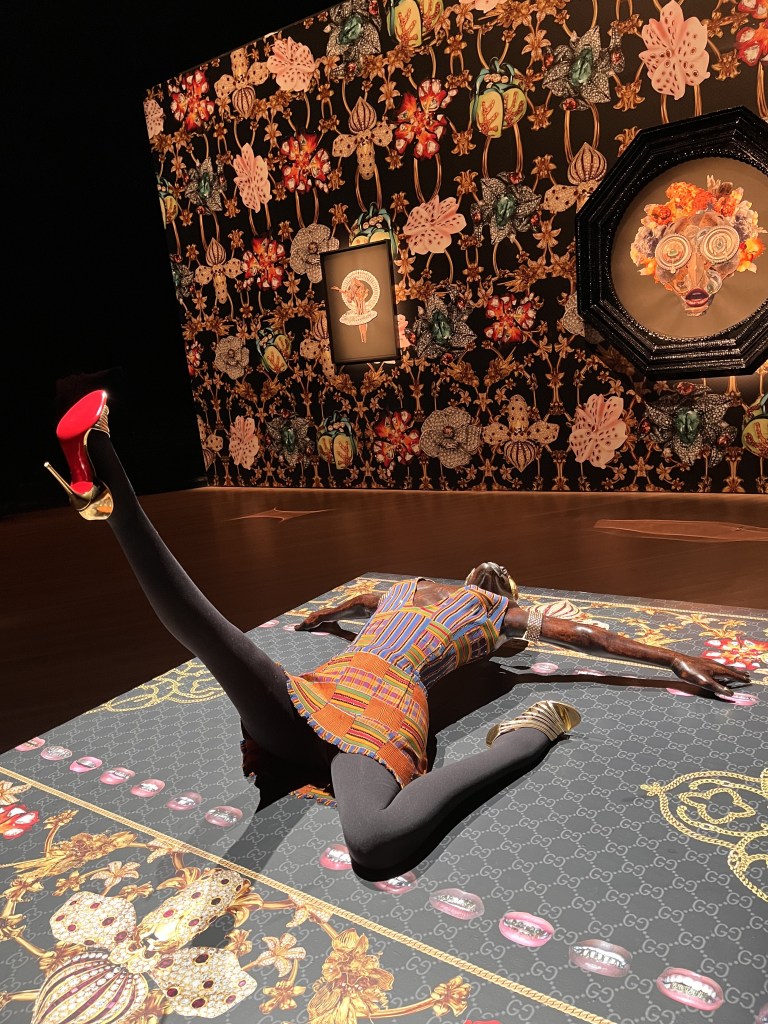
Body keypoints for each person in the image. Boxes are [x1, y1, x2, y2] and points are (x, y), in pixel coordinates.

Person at [44, 392, 751, 882]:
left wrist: (671, 657)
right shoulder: (416, 589)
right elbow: (360, 601)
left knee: (375, 842)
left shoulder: (491, 614)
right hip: (332, 685)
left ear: (500, 592)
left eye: (500, 581)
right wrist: (327, 617)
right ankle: (101, 461)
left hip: (385, 705)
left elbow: (585, 636)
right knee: (210, 635)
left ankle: (530, 735)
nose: (493, 577)